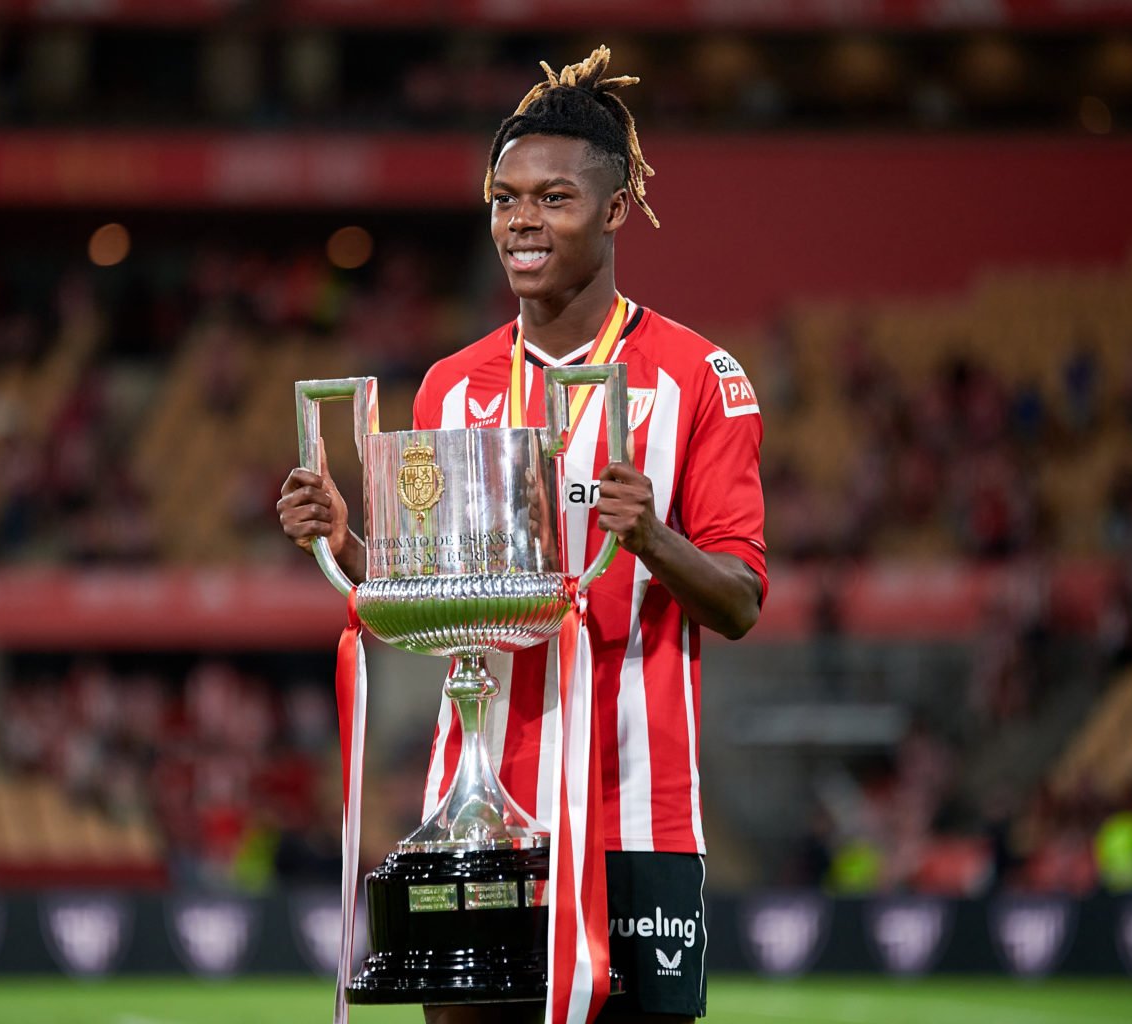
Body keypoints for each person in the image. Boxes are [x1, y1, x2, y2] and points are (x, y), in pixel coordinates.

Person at [278, 46, 766, 1024]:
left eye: (552, 198)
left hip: (638, 814)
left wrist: (651, 539)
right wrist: (351, 547)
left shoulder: (699, 378)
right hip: (478, 810)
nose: (522, 222)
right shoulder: (450, 387)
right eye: (504, 199)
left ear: (616, 209)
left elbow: (742, 598)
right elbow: (437, 593)